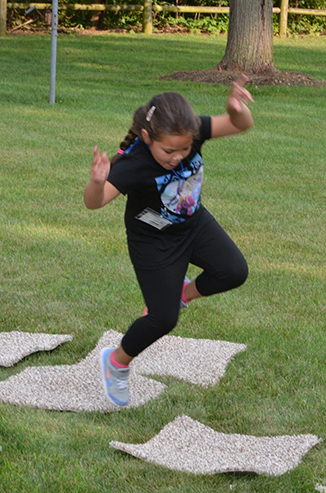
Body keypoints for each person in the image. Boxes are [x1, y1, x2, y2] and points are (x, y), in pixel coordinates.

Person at [84, 75, 254, 407]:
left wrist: (236, 109)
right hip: (153, 242)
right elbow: (95, 202)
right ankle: (117, 361)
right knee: (162, 319)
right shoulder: (135, 162)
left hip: (194, 224)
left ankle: (181, 292)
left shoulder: (192, 130)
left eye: (185, 149)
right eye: (168, 150)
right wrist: (96, 181)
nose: (177, 156)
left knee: (234, 271)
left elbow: (240, 125)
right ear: (147, 137)